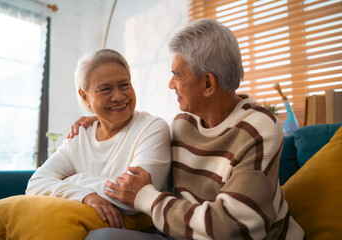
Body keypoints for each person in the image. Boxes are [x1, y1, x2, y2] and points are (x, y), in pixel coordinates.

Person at [71, 19, 304, 239]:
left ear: (207, 84)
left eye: (177, 76)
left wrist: (146, 198)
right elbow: (137, 165)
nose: (170, 84)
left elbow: (228, 228)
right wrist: (101, 123)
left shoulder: (259, 127)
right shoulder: (183, 124)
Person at [25, 49, 171, 229]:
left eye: (124, 85)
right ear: (84, 96)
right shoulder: (80, 136)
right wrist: (85, 196)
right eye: (106, 89)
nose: (118, 96)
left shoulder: (152, 128)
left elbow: (132, 197)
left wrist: (74, 180)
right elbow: (35, 184)